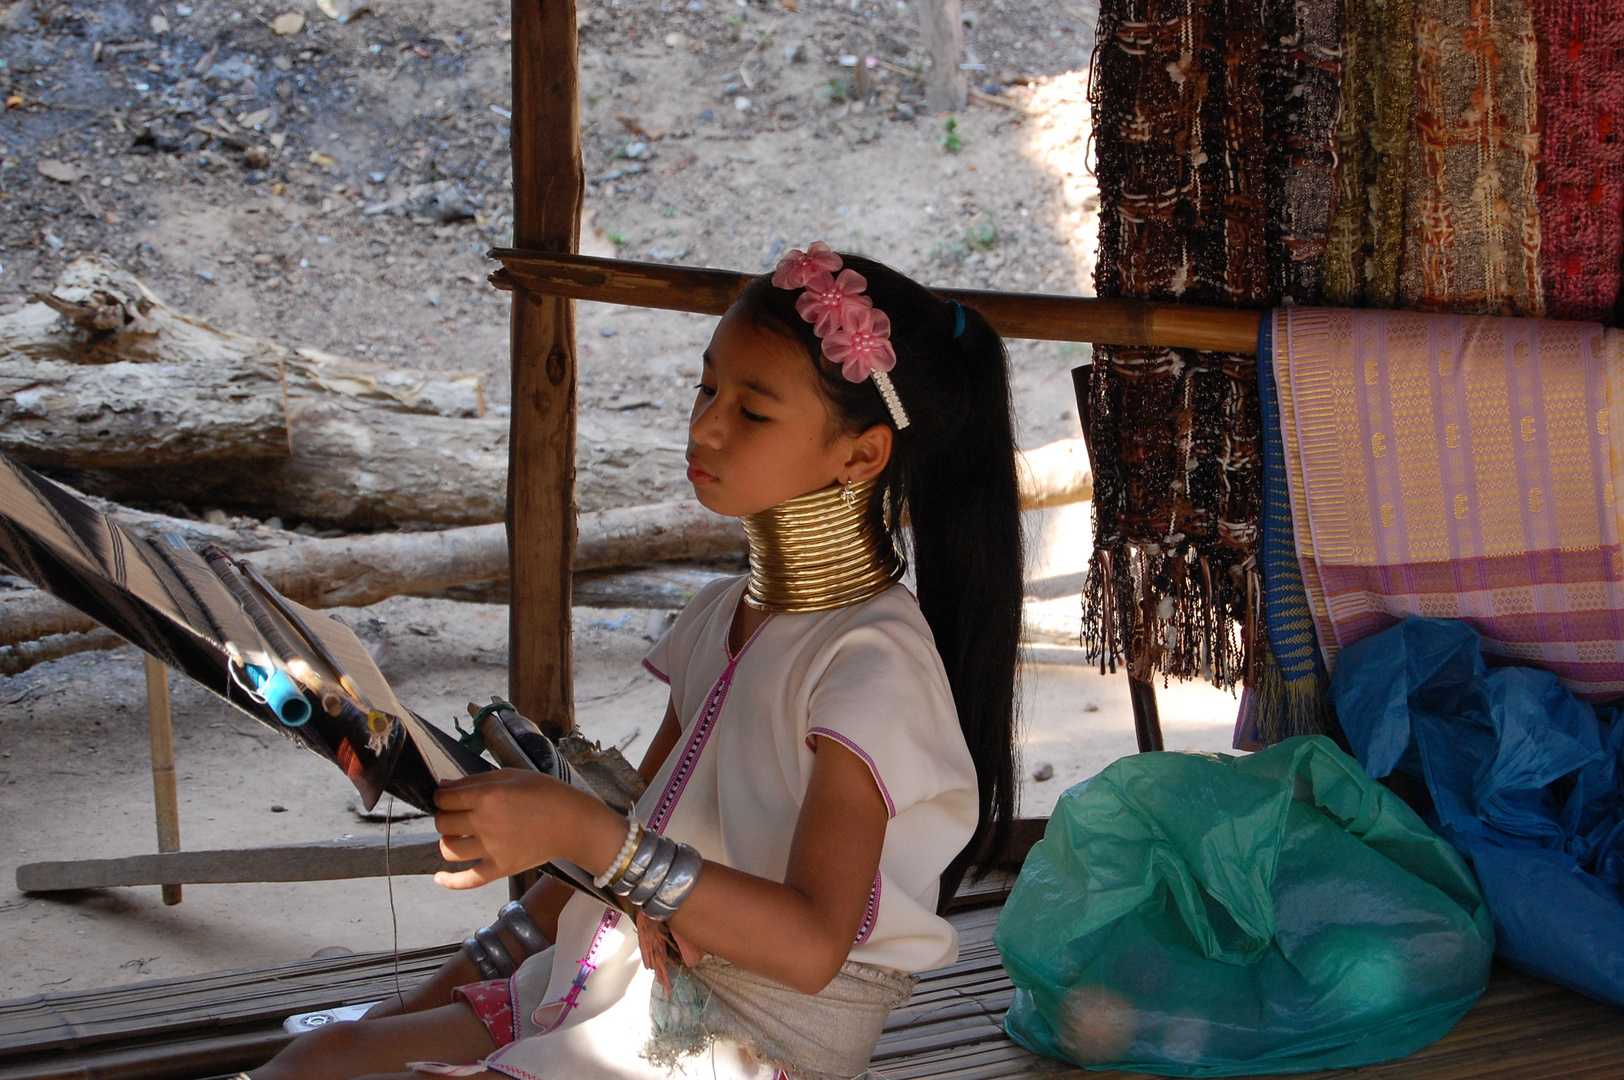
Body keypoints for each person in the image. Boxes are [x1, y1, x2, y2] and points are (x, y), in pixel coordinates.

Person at [247, 244, 1024, 1080]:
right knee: (321, 1059)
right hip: (606, 986)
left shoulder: (871, 663)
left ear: (861, 456)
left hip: (742, 1042)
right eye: (707, 387)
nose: (706, 426)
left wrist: (584, 830)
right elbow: (630, 831)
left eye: (752, 413)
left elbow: (808, 948)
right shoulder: (721, 616)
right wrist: (418, 1005)